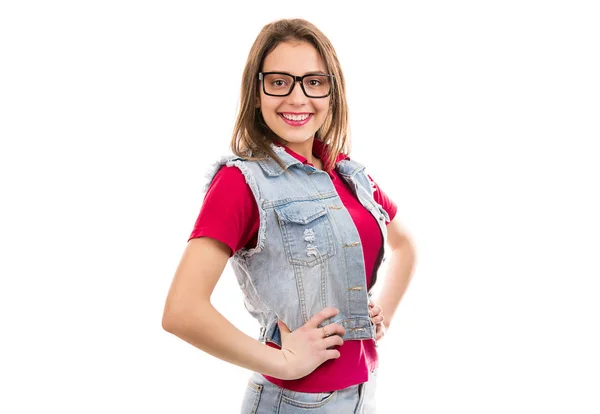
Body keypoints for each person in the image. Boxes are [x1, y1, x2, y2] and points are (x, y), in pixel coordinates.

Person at [162, 18, 416, 413]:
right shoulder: (241, 182)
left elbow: (405, 245)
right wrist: (282, 361)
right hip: (294, 402)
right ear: (256, 91)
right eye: (280, 82)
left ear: (333, 91)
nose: (298, 98)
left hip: (362, 394)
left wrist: (382, 314)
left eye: (313, 82)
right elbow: (182, 310)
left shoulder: (349, 174)